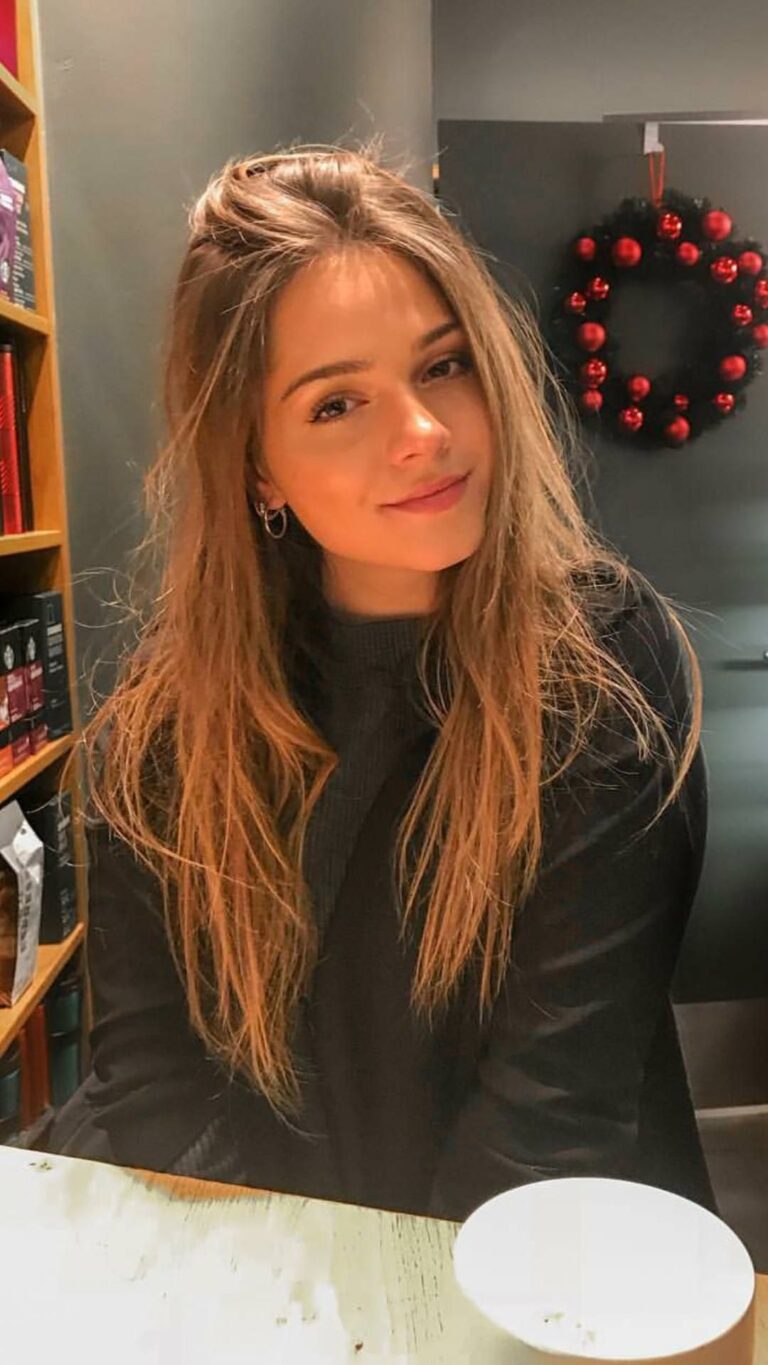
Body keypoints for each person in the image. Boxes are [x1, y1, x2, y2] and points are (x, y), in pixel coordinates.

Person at [48, 138, 717, 1222]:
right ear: (254, 463)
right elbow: (153, 1089)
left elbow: (546, 1129)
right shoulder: (162, 730)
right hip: (257, 1274)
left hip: (531, 1260)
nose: (424, 434)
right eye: (335, 405)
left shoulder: (602, 673)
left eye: (442, 366)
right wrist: (279, 1284)